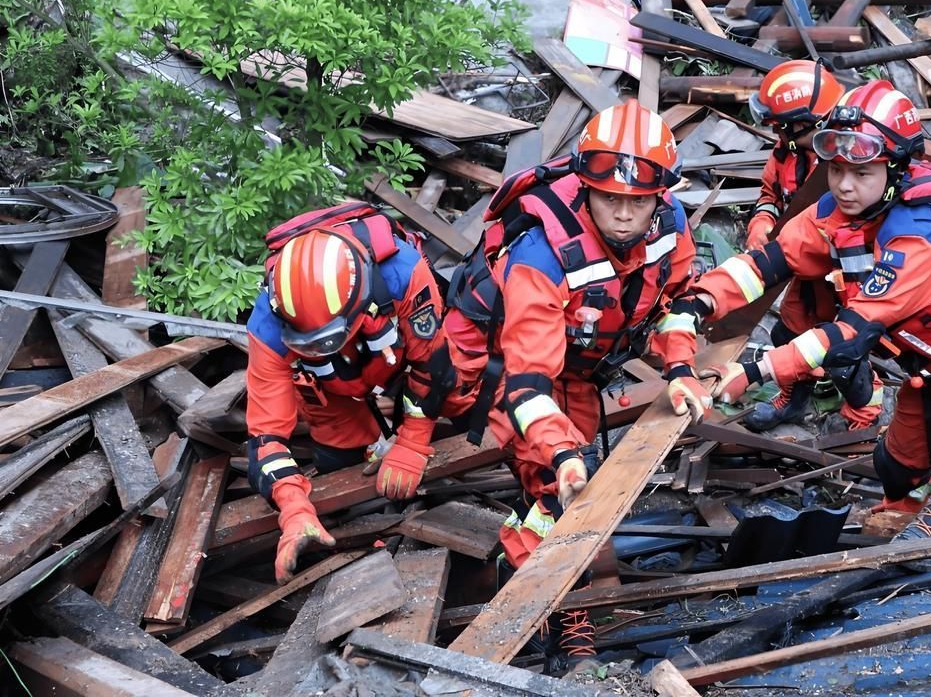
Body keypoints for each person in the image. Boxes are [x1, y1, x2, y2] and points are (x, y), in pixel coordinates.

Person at [682, 80, 931, 549]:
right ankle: (899, 512)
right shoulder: (839, 212)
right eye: (837, 169)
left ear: (895, 167)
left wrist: (753, 371)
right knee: (896, 466)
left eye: (861, 173)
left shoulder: (923, 232)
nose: (844, 185)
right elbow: (768, 262)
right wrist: (698, 302)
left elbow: (853, 331)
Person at [442, 99, 710, 672]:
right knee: (550, 484)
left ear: (659, 198)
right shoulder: (543, 251)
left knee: (563, 484)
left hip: (580, 360)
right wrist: (562, 451)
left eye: (636, 203)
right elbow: (527, 380)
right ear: (586, 186)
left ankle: (547, 580)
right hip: (508, 361)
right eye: (609, 198)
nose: (621, 215)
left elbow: (678, 302)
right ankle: (555, 618)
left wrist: (681, 366)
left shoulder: (672, 228)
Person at [245, 202, 461, 584]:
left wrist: (412, 441)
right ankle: (366, 536)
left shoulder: (402, 273)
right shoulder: (268, 323)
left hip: (398, 357)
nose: (324, 346)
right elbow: (266, 436)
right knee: (340, 458)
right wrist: (293, 510)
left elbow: (432, 365)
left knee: (463, 394)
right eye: (313, 343)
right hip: (332, 391)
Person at [740, 61, 883, 432]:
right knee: (787, 334)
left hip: (848, 271)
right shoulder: (787, 151)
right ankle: (792, 402)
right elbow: (771, 194)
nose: (776, 131)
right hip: (805, 268)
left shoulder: (850, 160)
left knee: (843, 352)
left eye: (782, 125)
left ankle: (864, 415)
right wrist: (763, 223)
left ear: (813, 123)